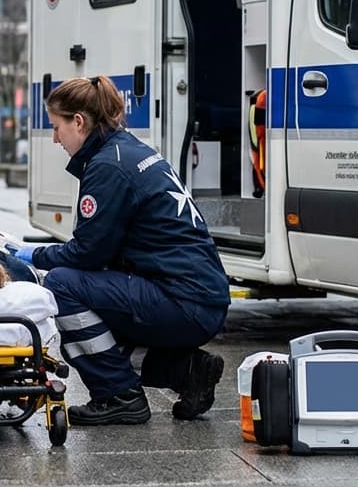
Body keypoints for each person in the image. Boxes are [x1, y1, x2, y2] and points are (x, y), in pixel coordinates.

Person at [13, 76, 230, 426]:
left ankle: (117, 394)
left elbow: (86, 253)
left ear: (79, 122)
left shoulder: (106, 166)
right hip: (201, 297)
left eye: (56, 128)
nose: (55, 139)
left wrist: (30, 256)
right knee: (93, 321)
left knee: (63, 286)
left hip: (183, 301)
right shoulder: (128, 149)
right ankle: (187, 371)